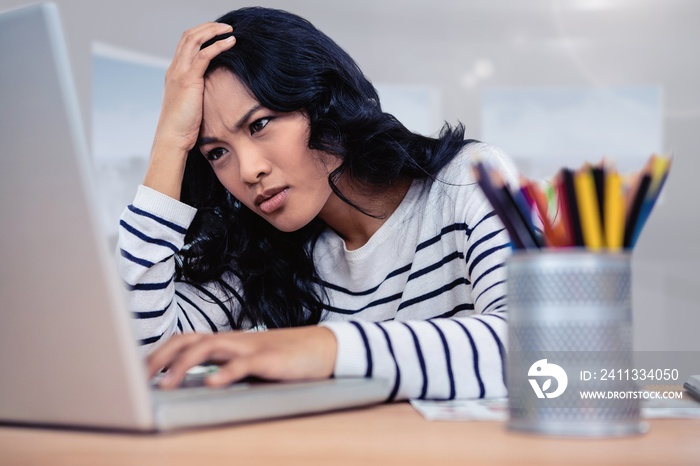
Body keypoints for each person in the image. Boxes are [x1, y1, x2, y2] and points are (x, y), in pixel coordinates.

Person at [118, 6, 518, 401]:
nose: (248, 171)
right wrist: (170, 142)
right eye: (218, 153)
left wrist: (320, 349)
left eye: (259, 124)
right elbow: (148, 363)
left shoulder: (467, 180)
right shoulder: (257, 252)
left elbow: (531, 349)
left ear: (323, 101)